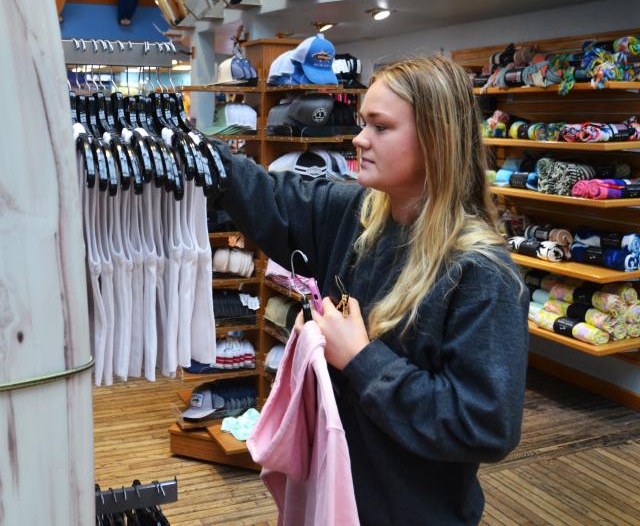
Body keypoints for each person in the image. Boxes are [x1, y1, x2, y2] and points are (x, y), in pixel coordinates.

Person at [211, 55, 529, 525]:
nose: (359, 139)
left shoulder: (481, 275)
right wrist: (203, 158)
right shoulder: (361, 215)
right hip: (336, 493)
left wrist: (362, 359)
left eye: (380, 127)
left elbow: (483, 423)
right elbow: (272, 197)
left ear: (436, 140)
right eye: (363, 123)